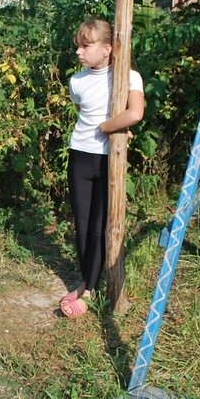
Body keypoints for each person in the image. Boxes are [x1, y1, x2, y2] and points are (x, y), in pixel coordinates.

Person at [60, 18, 145, 318]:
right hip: (80, 155)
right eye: (78, 46)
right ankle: (87, 281)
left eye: (86, 46)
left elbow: (135, 113)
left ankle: (89, 289)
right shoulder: (77, 81)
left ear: (108, 48)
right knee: (83, 225)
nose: (79, 52)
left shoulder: (128, 77)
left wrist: (108, 127)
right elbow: (83, 112)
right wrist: (108, 126)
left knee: (100, 226)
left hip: (109, 158)